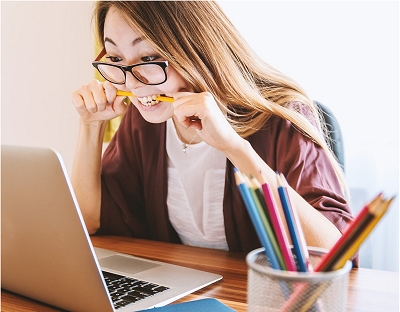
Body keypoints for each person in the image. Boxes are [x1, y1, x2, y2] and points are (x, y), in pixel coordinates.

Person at [71, 1, 355, 260]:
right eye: (117, 59)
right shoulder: (144, 121)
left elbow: (335, 254)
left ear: (195, 48)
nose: (132, 84)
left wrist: (234, 147)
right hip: (184, 293)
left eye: (148, 58)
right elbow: (88, 220)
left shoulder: (281, 118)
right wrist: (91, 126)